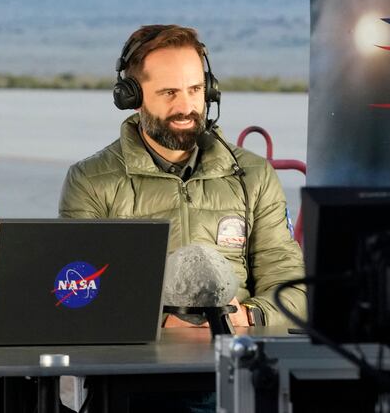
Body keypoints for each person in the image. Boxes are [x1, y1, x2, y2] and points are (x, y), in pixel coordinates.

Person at [59, 25, 307, 329]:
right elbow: (78, 291)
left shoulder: (254, 176)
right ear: (132, 97)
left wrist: (246, 316)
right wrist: (162, 322)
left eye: (195, 90)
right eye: (169, 93)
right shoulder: (90, 181)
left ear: (210, 90)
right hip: (140, 355)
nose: (187, 107)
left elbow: (292, 286)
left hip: (237, 347)